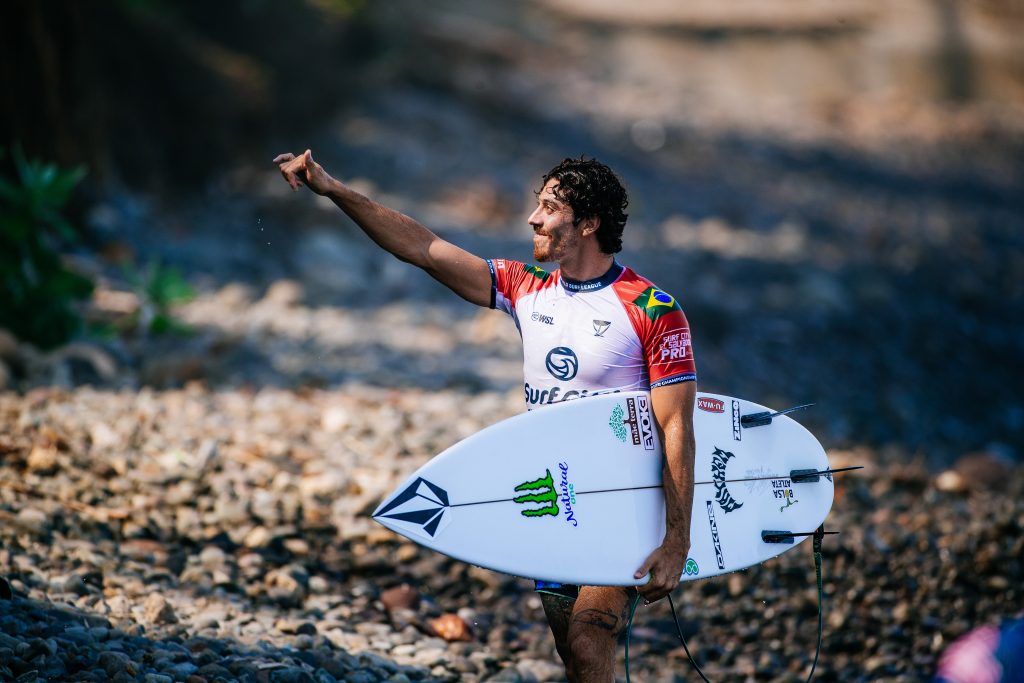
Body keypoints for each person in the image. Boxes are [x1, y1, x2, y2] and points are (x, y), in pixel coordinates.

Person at [275, 150, 697, 682]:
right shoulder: (528, 287)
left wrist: (676, 542)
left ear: (588, 224)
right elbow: (425, 250)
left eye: (549, 207)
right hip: (553, 502)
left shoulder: (652, 309)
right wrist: (333, 189)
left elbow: (676, 425)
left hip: (625, 509)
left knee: (590, 640)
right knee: (577, 655)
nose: (532, 218)